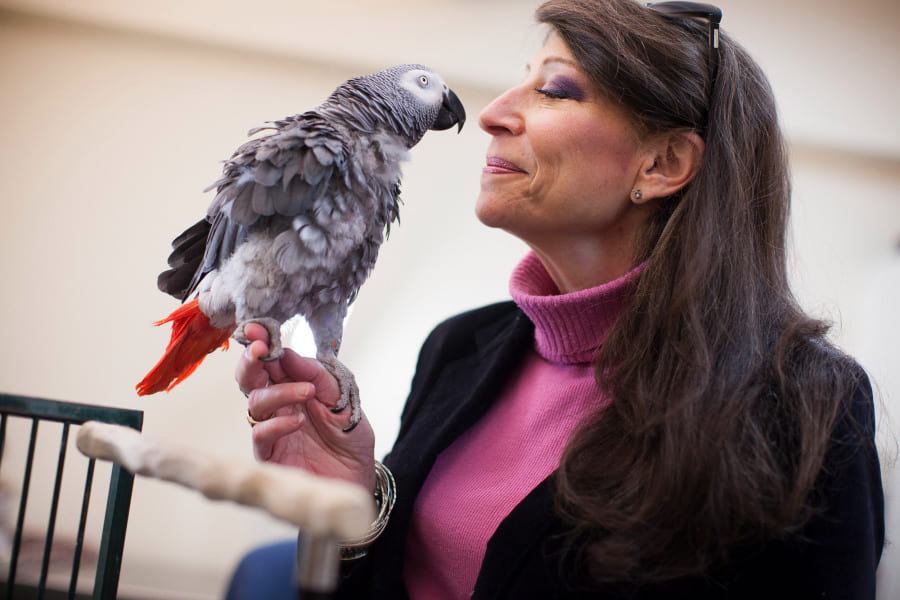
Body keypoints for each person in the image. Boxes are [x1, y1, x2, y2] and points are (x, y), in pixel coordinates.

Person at [227, 0, 885, 598]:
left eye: (553, 89)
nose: (490, 113)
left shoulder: (806, 406)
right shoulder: (458, 348)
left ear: (661, 165)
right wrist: (351, 505)